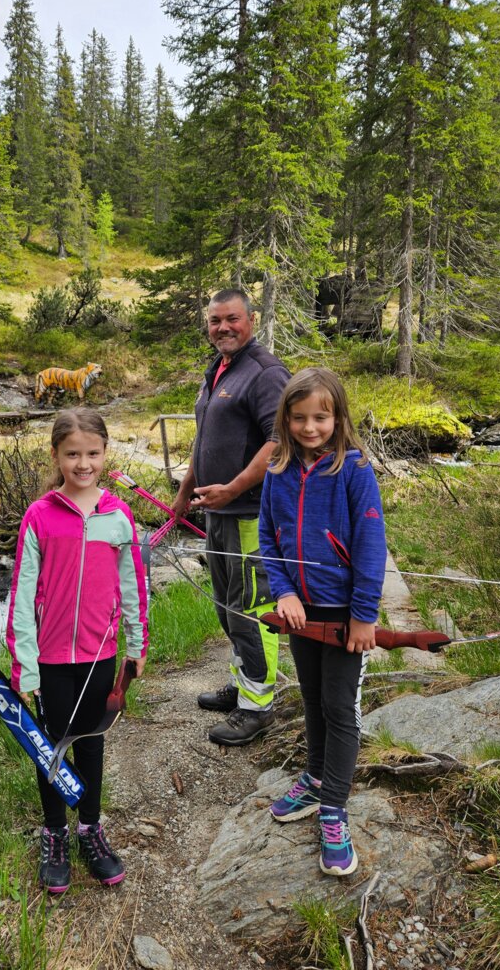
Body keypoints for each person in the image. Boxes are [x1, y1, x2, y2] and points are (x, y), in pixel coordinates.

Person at [6, 408, 149, 894]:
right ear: (56, 455)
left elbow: (133, 584)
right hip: (49, 659)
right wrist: (25, 664)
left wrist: (137, 643)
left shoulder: (118, 515)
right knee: (50, 745)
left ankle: (90, 827)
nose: (83, 463)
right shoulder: (40, 516)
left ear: (105, 454)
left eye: (92, 453)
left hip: (99, 655)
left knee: (91, 741)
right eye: (72, 454)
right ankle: (55, 833)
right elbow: (22, 592)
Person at [258, 367, 386, 876]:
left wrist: (363, 616)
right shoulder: (277, 469)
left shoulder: (355, 470)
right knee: (312, 698)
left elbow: (371, 547)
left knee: (339, 706)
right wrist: (284, 591)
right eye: (299, 418)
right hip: (299, 612)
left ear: (338, 417)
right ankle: (314, 780)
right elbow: (268, 538)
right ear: (285, 419)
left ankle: (333, 807)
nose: (310, 428)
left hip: (344, 613)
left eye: (320, 417)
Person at [171, 288, 291, 746]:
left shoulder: (265, 372)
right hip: (217, 512)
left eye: (232, 319)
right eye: (215, 320)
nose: (223, 327)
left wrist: (234, 488)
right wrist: (185, 491)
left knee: (252, 610)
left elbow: (279, 442)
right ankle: (242, 685)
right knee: (226, 605)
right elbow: (205, 439)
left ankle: (257, 708)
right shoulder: (219, 369)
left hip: (249, 515)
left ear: (251, 320)